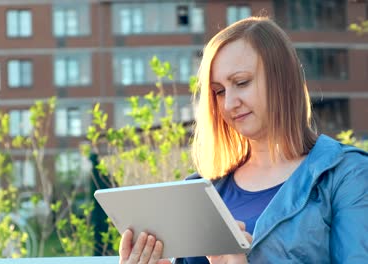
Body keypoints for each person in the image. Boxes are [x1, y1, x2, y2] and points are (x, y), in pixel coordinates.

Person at [117, 16, 368, 264]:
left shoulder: (346, 175)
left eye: (241, 82)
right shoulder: (203, 190)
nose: (228, 103)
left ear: (283, 79)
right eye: (219, 91)